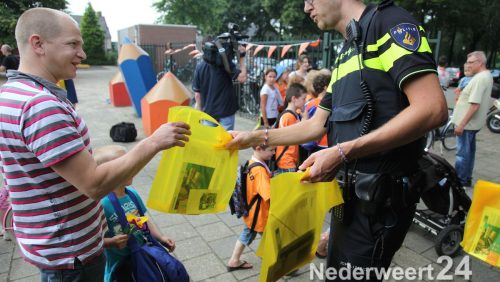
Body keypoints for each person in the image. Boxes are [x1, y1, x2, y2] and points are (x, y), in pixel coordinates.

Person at [226, 0, 447, 280]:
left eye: (310, 0)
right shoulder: (345, 52)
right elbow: (315, 125)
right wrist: (252, 136)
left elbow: (432, 108)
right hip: (346, 201)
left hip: (379, 205)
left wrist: (342, 152)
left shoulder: (389, 23)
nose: (307, 8)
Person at [0, 8, 190, 281]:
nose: (82, 54)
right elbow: (93, 184)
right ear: (37, 43)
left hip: (52, 247)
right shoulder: (41, 106)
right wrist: (153, 142)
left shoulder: (13, 93)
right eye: (72, 44)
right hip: (71, 253)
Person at [94, 145, 176, 282]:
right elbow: (93, 241)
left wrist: (160, 237)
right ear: (108, 174)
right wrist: (111, 242)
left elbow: (142, 220)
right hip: (119, 265)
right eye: (125, 166)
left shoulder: (132, 194)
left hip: (141, 255)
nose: (132, 169)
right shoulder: (102, 204)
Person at [227, 142, 275, 272]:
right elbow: (268, 195)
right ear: (258, 148)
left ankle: (234, 260)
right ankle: (278, 264)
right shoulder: (259, 171)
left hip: (252, 212)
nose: (274, 153)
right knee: (272, 238)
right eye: (271, 150)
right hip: (260, 215)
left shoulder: (251, 163)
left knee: (247, 234)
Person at [451, 51, 493, 188]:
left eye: (470, 62)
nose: (467, 65)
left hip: (468, 125)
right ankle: (466, 178)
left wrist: (461, 125)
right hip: (472, 124)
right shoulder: (486, 76)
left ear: (480, 63)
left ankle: (460, 182)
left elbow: (475, 105)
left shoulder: (480, 78)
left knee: (462, 155)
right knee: (469, 152)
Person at [192, 36, 247, 131]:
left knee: (210, 143)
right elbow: (242, 78)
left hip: (208, 114)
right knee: (226, 143)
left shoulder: (199, 67)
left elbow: (197, 95)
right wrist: (242, 57)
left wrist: (200, 114)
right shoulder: (224, 63)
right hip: (226, 112)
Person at [274, 83, 307, 175]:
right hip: (288, 161)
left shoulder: (292, 114)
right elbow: (300, 136)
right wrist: (305, 120)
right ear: (294, 99)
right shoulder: (289, 117)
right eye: (303, 99)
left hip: (288, 160)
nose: (305, 101)